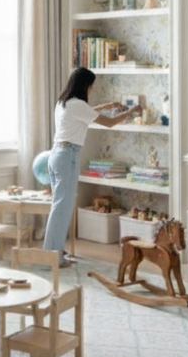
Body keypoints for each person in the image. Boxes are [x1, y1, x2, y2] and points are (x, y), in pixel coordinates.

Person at [43, 67, 141, 265]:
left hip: (56, 155)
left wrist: (106, 105)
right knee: (62, 209)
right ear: (85, 85)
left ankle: (55, 253)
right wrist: (132, 111)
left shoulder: (64, 103)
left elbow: (87, 113)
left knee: (59, 207)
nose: (91, 90)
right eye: (91, 86)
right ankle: (52, 256)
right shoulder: (78, 105)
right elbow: (110, 123)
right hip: (67, 156)